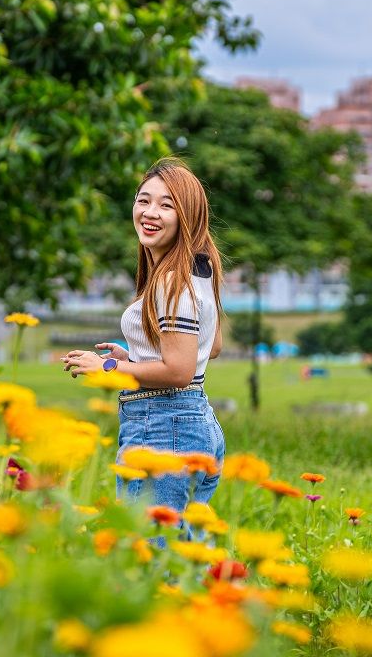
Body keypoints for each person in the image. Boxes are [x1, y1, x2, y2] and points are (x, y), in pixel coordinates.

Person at [62, 157, 227, 513]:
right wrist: (136, 357)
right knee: (180, 543)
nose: (150, 213)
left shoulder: (171, 282)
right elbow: (211, 347)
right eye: (144, 200)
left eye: (167, 205)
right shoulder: (199, 270)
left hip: (164, 430)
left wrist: (107, 368)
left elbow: (179, 370)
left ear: (187, 217)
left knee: (148, 544)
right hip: (193, 423)